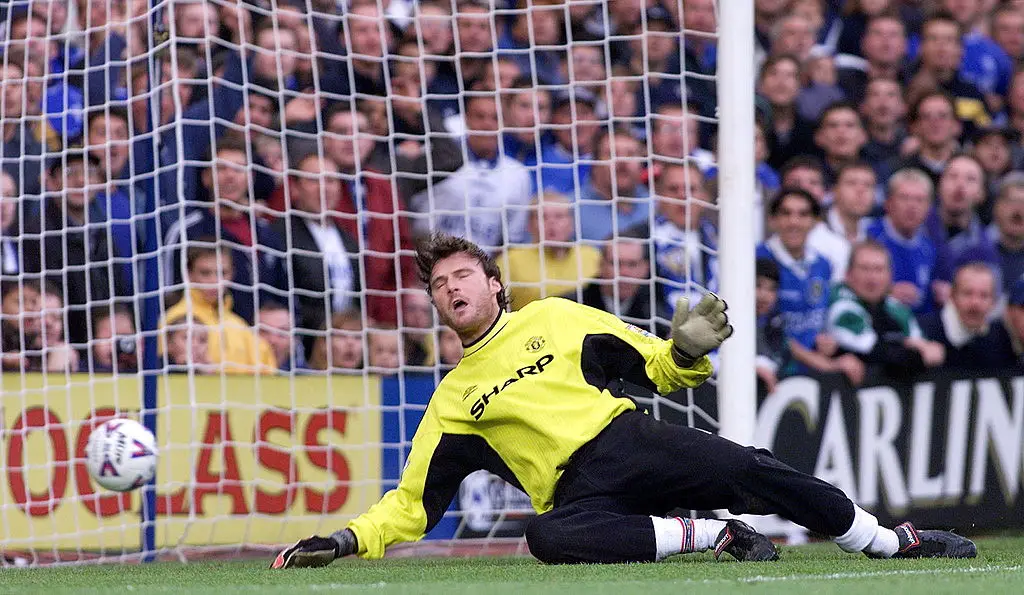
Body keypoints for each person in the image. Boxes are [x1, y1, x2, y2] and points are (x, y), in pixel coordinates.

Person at [271, 232, 976, 569]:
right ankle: (716, 534)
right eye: (438, 285)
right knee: (546, 539)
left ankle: (889, 540)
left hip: (629, 439)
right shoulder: (452, 400)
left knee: (756, 470)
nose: (451, 288)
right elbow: (413, 504)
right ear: (436, 306)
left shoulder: (554, 316)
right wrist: (343, 539)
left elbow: (662, 369)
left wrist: (691, 348)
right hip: (578, 492)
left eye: (463, 275)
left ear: (493, 283)